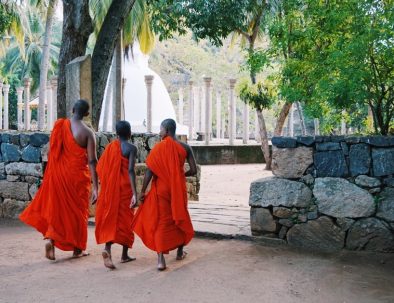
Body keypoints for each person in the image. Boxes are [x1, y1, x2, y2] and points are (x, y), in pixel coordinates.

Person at [20, 99, 99, 260]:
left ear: (72, 110)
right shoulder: (88, 133)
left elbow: (53, 153)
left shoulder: (60, 126)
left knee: (58, 211)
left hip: (60, 176)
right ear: (86, 114)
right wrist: (96, 186)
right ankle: (78, 249)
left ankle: (51, 239)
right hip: (78, 178)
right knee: (78, 213)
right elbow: (92, 160)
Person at [132, 118, 196, 271]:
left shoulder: (158, 148)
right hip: (178, 189)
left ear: (166, 131)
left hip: (161, 190)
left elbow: (150, 171)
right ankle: (180, 252)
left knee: (162, 221)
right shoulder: (185, 147)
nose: (159, 132)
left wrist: (142, 191)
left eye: (160, 129)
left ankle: (161, 259)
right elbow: (193, 170)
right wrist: (178, 176)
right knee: (179, 216)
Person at [94, 121, 138, 269]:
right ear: (130, 133)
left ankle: (107, 249)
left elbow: (100, 168)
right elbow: (131, 171)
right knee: (127, 220)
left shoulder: (110, 147)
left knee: (112, 218)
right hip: (125, 189)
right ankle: (124, 255)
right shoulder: (131, 148)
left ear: (116, 134)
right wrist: (135, 193)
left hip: (111, 189)